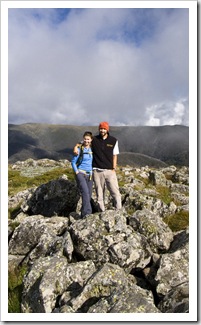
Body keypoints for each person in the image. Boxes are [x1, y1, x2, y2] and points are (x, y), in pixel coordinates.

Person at [74, 122, 122, 212]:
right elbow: (84, 141)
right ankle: (101, 212)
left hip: (109, 171)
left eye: (104, 129)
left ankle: (119, 210)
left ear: (107, 130)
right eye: (101, 129)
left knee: (115, 191)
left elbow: (115, 155)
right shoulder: (94, 139)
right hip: (96, 171)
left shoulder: (113, 140)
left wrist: (114, 168)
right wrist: (76, 146)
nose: (102, 130)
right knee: (99, 194)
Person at [71, 131, 93, 217]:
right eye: (85, 139)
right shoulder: (80, 150)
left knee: (89, 194)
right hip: (81, 173)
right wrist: (77, 172)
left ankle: (83, 213)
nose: (86, 141)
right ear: (83, 139)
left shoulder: (92, 149)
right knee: (85, 192)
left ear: (91, 140)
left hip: (90, 175)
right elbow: (73, 162)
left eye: (88, 139)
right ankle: (87, 214)